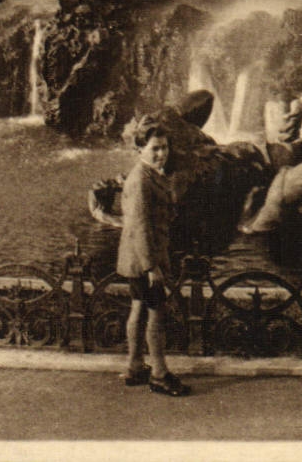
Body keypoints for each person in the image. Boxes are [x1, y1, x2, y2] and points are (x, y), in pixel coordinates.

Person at [114, 116, 190, 396]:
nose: (161, 153)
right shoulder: (141, 181)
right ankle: (159, 374)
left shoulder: (148, 175)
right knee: (157, 314)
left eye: (165, 148)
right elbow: (140, 227)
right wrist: (151, 267)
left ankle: (135, 366)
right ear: (139, 150)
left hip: (136, 258)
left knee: (138, 307)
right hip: (144, 260)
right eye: (155, 148)